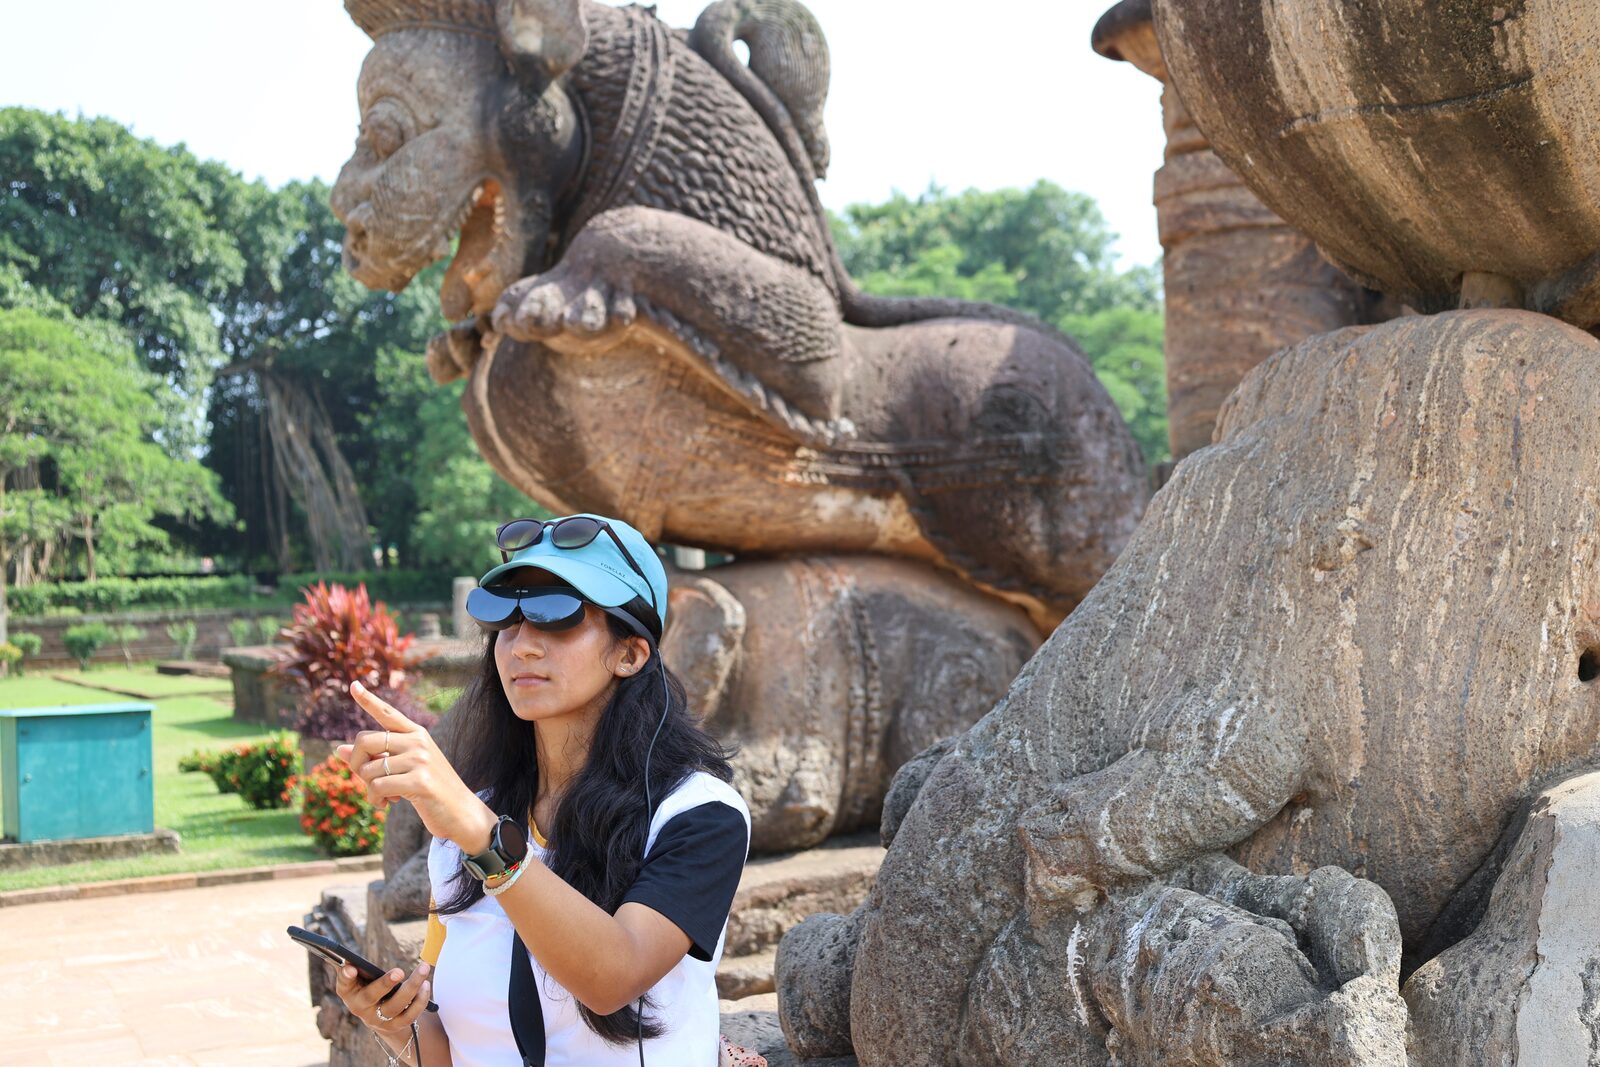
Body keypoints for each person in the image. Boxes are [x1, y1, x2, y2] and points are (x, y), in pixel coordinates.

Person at [331, 513, 753, 1066]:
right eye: (507, 619)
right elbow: (457, 1052)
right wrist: (391, 1024)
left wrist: (482, 836)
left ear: (630, 653)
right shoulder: (464, 829)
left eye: (558, 615)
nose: (522, 646)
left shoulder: (699, 816)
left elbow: (612, 977)